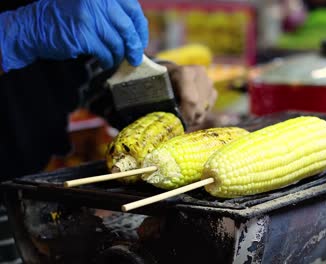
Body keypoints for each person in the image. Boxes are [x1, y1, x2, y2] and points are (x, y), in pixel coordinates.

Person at [0, 0, 217, 262]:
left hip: (24, 194)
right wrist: (12, 33)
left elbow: (87, 70)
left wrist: (157, 82)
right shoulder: (39, 23)